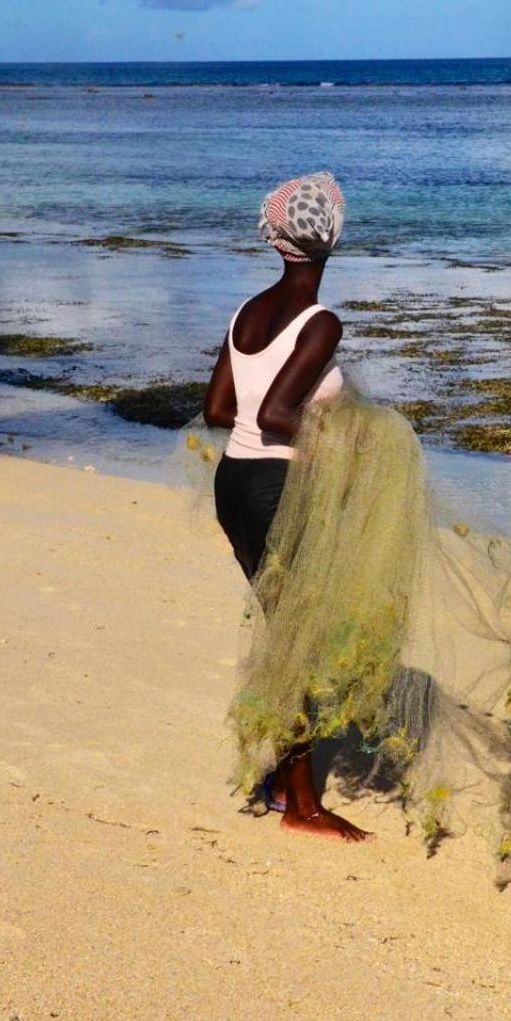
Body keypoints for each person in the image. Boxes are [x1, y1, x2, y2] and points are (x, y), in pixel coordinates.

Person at [201, 171, 369, 843]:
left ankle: (278, 778)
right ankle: (302, 804)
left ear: (278, 240)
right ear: (330, 240)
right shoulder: (321, 322)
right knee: (299, 643)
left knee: (284, 632)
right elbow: (277, 413)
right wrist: (345, 448)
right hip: (275, 491)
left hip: (234, 485)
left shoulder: (247, 309)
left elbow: (220, 409)